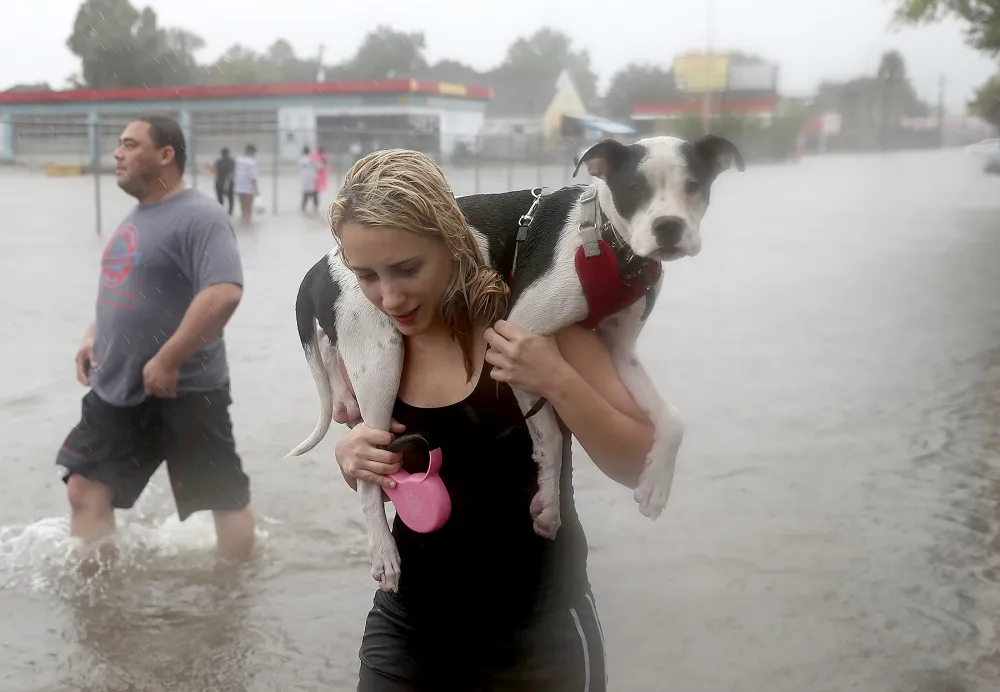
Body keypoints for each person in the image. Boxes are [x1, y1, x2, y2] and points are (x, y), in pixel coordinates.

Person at [330, 150, 655, 691]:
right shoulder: (372, 342)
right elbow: (404, 483)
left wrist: (556, 378)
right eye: (366, 275)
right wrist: (354, 458)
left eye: (408, 269)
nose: (389, 296)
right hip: (408, 630)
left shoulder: (538, 322)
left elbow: (638, 463)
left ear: (454, 244)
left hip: (540, 638)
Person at [57, 115, 255, 568]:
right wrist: (93, 337)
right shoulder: (135, 218)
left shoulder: (200, 216)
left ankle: (234, 597)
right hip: (118, 386)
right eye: (119, 145)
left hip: (185, 389)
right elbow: (124, 289)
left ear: (166, 154)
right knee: (84, 488)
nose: (117, 153)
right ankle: (102, 605)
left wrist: (169, 358)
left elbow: (224, 292)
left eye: (130, 144)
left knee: (222, 496)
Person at [233, 144, 259, 224]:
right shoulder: (252, 162)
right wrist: (256, 189)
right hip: (248, 186)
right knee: (248, 203)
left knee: (242, 202)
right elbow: (253, 176)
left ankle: (243, 216)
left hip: (239, 185)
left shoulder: (238, 159)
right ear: (252, 152)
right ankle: (248, 219)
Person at [212, 147, 235, 215]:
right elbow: (214, 172)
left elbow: (232, 172)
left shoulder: (230, 161)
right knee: (221, 199)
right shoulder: (219, 162)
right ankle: (224, 212)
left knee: (229, 198)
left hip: (227, 182)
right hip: (221, 182)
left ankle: (229, 212)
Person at [299, 144, 321, 214]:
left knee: (311, 194)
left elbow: (319, 166)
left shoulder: (305, 159)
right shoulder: (305, 159)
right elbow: (319, 166)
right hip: (309, 179)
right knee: (308, 195)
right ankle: (310, 207)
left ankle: (310, 207)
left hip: (310, 179)